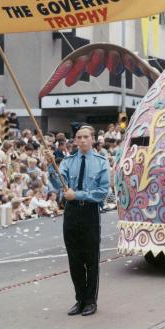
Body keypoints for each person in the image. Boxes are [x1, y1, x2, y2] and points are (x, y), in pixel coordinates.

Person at [48, 124, 109, 317]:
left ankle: (91, 301)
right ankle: (80, 300)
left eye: (85, 137)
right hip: (72, 212)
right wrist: (51, 164)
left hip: (89, 212)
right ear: (75, 140)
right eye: (78, 137)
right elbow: (60, 183)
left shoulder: (101, 162)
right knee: (74, 260)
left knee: (91, 259)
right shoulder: (68, 161)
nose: (81, 140)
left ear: (92, 139)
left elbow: (102, 192)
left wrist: (79, 195)